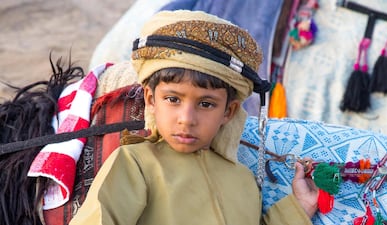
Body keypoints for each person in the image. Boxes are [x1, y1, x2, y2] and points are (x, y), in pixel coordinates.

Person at [69, 10, 318, 225]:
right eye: (173, 99)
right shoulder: (136, 164)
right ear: (151, 100)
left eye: (206, 104)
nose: (187, 118)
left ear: (228, 112)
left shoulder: (243, 180)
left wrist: (299, 207)